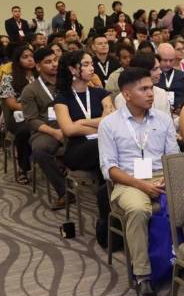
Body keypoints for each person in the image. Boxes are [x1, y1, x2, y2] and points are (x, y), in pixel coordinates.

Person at [98, 67, 181, 296]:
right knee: (137, 210)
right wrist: (141, 185)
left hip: (162, 176)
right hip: (128, 181)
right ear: (126, 94)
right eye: (143, 89)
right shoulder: (109, 124)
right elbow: (110, 169)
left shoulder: (163, 119)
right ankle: (143, 275)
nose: (150, 93)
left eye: (151, 88)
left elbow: (173, 157)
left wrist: (165, 178)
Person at [54, 51, 114, 215]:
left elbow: (111, 122)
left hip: (102, 145)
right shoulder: (62, 99)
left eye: (92, 64)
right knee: (102, 146)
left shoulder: (101, 93)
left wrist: (81, 122)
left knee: (105, 149)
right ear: (73, 69)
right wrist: (100, 124)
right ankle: (109, 203)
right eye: (86, 64)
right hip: (77, 150)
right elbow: (68, 130)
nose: (92, 68)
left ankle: (108, 200)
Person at [21, 48, 70, 208]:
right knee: (40, 150)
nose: (54, 64)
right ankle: (64, 192)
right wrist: (54, 132)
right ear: (38, 66)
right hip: (46, 129)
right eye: (48, 62)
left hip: (71, 124)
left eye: (55, 60)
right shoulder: (30, 90)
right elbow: (31, 119)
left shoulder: (68, 83)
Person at [0, 45, 35, 183]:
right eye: (25, 57)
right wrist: (33, 109)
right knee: (25, 131)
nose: (30, 59)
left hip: (41, 114)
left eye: (32, 56)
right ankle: (23, 168)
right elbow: (12, 104)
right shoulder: (7, 79)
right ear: (17, 60)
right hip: (18, 115)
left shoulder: (41, 76)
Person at [156, 43, 184, 112]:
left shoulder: (183, 77)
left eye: (171, 60)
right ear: (157, 59)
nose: (168, 64)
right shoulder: (152, 77)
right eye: (165, 60)